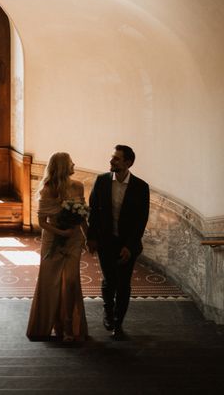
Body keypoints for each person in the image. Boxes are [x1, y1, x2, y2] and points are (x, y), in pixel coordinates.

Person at [87, 144, 149, 339]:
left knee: (123, 284)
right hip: (106, 241)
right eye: (112, 157)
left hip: (127, 246)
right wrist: (91, 237)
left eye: (116, 159)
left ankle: (118, 322)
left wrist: (129, 247)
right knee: (109, 280)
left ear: (128, 163)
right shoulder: (102, 181)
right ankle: (108, 311)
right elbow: (93, 211)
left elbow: (141, 220)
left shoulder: (141, 187)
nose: (111, 161)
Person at [26, 152, 88, 343]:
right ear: (62, 166)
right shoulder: (47, 190)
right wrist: (61, 233)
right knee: (50, 281)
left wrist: (88, 237)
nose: (74, 164)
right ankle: (52, 323)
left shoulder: (78, 186)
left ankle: (69, 324)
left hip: (74, 239)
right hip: (53, 240)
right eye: (70, 162)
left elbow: (82, 215)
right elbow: (42, 222)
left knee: (70, 280)